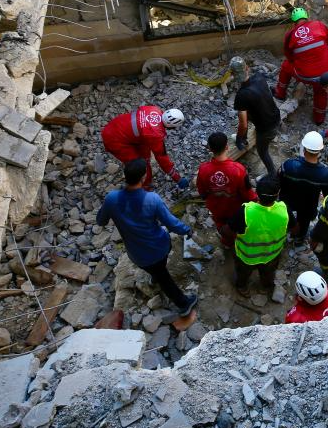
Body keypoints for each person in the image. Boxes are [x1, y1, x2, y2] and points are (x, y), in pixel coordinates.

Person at [97, 159, 197, 316]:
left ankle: (155, 277)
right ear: (143, 178)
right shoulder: (152, 199)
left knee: (156, 270)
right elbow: (171, 223)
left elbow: (100, 221)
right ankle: (183, 304)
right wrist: (186, 230)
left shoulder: (111, 199)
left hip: (136, 254)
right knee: (165, 278)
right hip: (158, 248)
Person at [229, 175, 291, 295]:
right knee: (268, 273)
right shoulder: (284, 210)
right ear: (278, 193)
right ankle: (264, 288)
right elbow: (295, 230)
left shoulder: (246, 211)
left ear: (256, 192)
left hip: (246, 256)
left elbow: (227, 231)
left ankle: (242, 288)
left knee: (243, 273)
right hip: (271, 255)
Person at [101, 106, 188, 191]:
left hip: (115, 126)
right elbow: (162, 158)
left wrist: (146, 158)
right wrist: (177, 178)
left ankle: (146, 182)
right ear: (171, 125)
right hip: (115, 140)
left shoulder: (154, 109)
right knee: (139, 165)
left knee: (145, 157)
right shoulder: (155, 134)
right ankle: (142, 189)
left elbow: (143, 133)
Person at [197, 132, 256, 248]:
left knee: (221, 226)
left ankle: (227, 243)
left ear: (209, 148)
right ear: (227, 147)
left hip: (216, 208)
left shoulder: (203, 169)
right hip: (235, 208)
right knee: (238, 226)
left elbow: (202, 193)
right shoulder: (238, 169)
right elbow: (247, 193)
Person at [275, 8, 328, 124]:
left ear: (293, 23)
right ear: (307, 18)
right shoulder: (318, 25)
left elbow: (289, 56)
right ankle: (319, 118)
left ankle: (280, 93)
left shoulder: (290, 35)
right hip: (326, 76)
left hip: (305, 76)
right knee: (321, 91)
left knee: (286, 65)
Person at [279, 131, 328, 243]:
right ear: (320, 151)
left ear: (303, 149)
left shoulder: (289, 165)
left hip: (288, 201)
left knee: (286, 215)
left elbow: (279, 182)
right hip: (308, 205)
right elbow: (327, 196)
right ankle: (299, 238)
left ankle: (283, 232)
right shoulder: (326, 175)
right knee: (304, 222)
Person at [231, 56, 282, 174]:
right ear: (247, 68)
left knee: (262, 152)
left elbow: (243, 124)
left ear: (233, 75)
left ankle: (272, 174)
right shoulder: (259, 77)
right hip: (276, 117)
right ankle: (245, 139)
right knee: (249, 110)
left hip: (266, 130)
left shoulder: (241, 95)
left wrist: (238, 138)